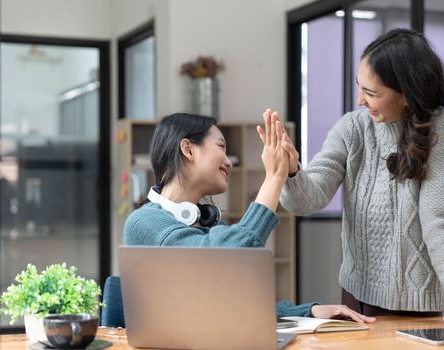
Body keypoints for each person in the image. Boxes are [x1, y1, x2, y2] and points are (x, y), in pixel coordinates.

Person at [261, 28, 444, 328]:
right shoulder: (352, 128)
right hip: (355, 299)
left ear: (407, 92)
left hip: (415, 305)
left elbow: (438, 223)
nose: (360, 100)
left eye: (371, 92)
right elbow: (306, 200)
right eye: (360, 87)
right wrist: (290, 170)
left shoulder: (443, 128)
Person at [123, 112, 375, 323]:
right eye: (221, 147)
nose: (228, 161)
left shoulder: (203, 222)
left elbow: (230, 303)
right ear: (188, 149)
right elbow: (228, 259)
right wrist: (274, 178)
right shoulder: (144, 223)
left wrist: (307, 311)